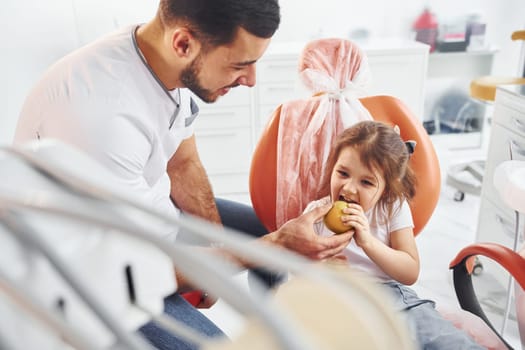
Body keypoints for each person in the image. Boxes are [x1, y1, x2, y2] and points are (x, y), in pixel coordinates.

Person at [13, 0, 354, 349]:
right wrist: (265, 249)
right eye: (241, 64)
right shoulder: (103, 119)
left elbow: (182, 164)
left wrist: (217, 248)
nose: (251, 80)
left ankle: (272, 329)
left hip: (150, 223)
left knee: (279, 226)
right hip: (92, 278)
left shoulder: (161, 61)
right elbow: (135, 269)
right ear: (183, 44)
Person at [303, 120, 484, 349]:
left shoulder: (392, 208)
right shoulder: (315, 214)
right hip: (336, 301)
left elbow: (410, 272)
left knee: (445, 341)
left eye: (366, 182)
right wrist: (321, 267)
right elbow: (296, 269)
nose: (349, 188)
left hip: (391, 298)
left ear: (387, 188)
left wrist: (368, 242)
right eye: (343, 173)